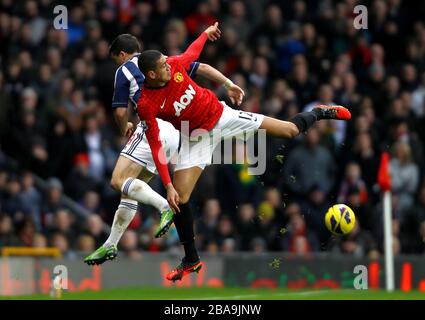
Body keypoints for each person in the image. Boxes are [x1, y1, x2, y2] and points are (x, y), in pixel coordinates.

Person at [136, 22, 351, 281]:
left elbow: (193, 54)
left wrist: (205, 35)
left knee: (290, 131)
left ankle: (320, 111)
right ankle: (191, 259)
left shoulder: (174, 65)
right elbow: (156, 144)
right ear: (151, 75)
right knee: (178, 200)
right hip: (195, 138)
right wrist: (167, 185)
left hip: (223, 116)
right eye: (162, 66)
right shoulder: (146, 105)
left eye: (167, 62)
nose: (168, 66)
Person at [83, 23, 223, 266]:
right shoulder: (163, 62)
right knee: (131, 188)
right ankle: (111, 244)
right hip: (176, 129)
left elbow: (118, 112)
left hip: (153, 125)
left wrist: (124, 126)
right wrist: (228, 83)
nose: (118, 63)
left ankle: (164, 206)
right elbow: (202, 67)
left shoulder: (124, 69)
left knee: (117, 180)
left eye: (117, 59)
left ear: (123, 55)